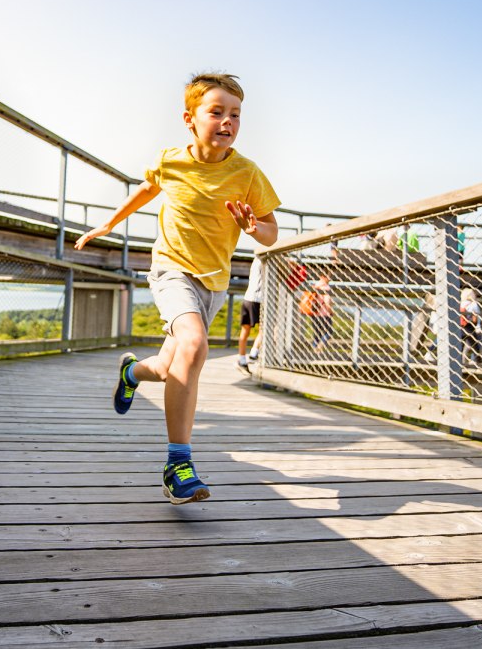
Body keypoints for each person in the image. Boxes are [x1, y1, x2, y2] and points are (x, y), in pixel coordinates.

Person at [74, 72, 280, 505]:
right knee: (195, 344)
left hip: (213, 283)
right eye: (217, 112)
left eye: (236, 114)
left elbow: (270, 235)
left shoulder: (247, 173)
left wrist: (252, 225)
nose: (228, 121)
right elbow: (147, 189)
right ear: (190, 118)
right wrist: (109, 224)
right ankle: (178, 464)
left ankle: (131, 372)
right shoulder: (171, 160)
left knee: (172, 366)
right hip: (171, 270)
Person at [237, 256, 263, 369]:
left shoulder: (255, 260)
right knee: (265, 330)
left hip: (247, 298)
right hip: (259, 299)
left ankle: (242, 359)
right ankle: (254, 352)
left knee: (245, 330)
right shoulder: (265, 260)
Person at [310, 274, 333, 352]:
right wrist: (331, 312)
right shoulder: (326, 287)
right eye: (329, 276)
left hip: (314, 313)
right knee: (329, 331)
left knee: (317, 332)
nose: (330, 278)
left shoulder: (315, 285)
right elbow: (327, 303)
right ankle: (320, 345)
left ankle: (314, 347)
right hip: (324, 314)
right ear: (323, 276)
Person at [460, 287, 481, 364]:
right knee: (475, 344)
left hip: (461, 326)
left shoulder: (461, 303)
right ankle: (476, 360)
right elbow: (476, 318)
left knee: (460, 345)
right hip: (470, 326)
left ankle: (459, 360)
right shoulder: (474, 304)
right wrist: (477, 325)